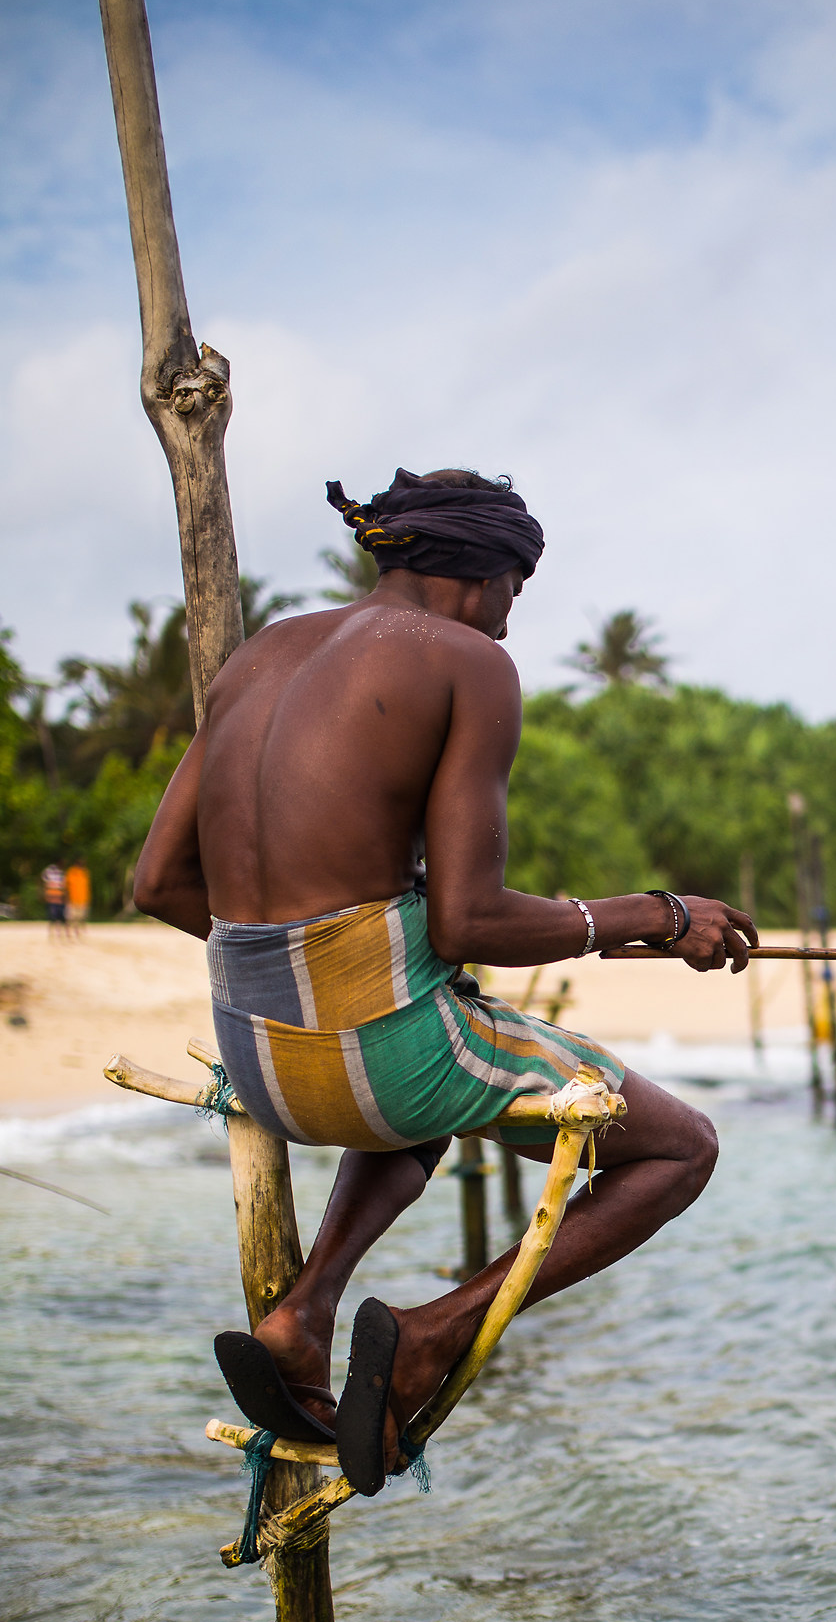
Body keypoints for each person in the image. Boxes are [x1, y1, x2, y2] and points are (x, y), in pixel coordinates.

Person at [133, 466, 757, 1496]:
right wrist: (661, 915)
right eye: (515, 594)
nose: (509, 627)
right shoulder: (466, 661)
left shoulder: (262, 653)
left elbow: (157, 883)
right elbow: (473, 919)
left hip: (262, 1062)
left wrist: (337, 956)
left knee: (441, 1011)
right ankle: (436, 1331)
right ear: (483, 575)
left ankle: (305, 1314)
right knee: (681, 1150)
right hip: (373, 1062)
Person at [65, 858, 91, 936]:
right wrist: (67, 899)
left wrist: (87, 899)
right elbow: (66, 886)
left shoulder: (85, 872)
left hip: (82, 899)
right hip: (72, 899)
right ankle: (68, 932)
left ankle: (77, 931)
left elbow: (87, 887)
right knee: (71, 918)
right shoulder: (71, 872)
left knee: (80, 918)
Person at [41, 861, 67, 938]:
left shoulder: (62, 872)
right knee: (53, 917)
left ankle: (58, 933)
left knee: (60, 917)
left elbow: (64, 886)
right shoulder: (50, 871)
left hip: (59, 897)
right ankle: (52, 933)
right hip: (53, 897)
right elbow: (45, 883)